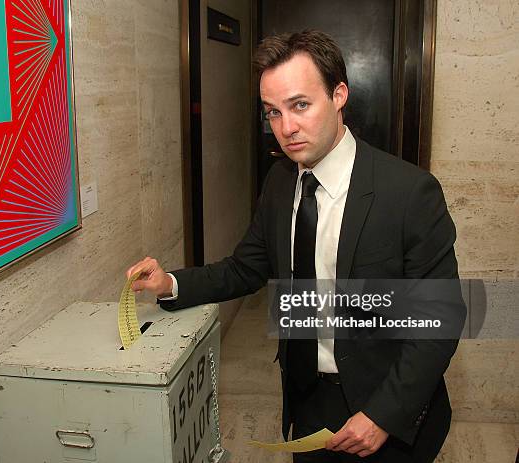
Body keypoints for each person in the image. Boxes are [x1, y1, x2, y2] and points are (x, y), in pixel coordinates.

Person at [126, 30, 465, 462]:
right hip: (307, 401)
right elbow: (245, 267)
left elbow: (439, 319)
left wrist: (382, 415)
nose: (286, 128)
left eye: (300, 105)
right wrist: (170, 283)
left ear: (339, 94)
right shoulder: (280, 182)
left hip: (386, 409)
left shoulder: (410, 193)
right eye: (273, 112)